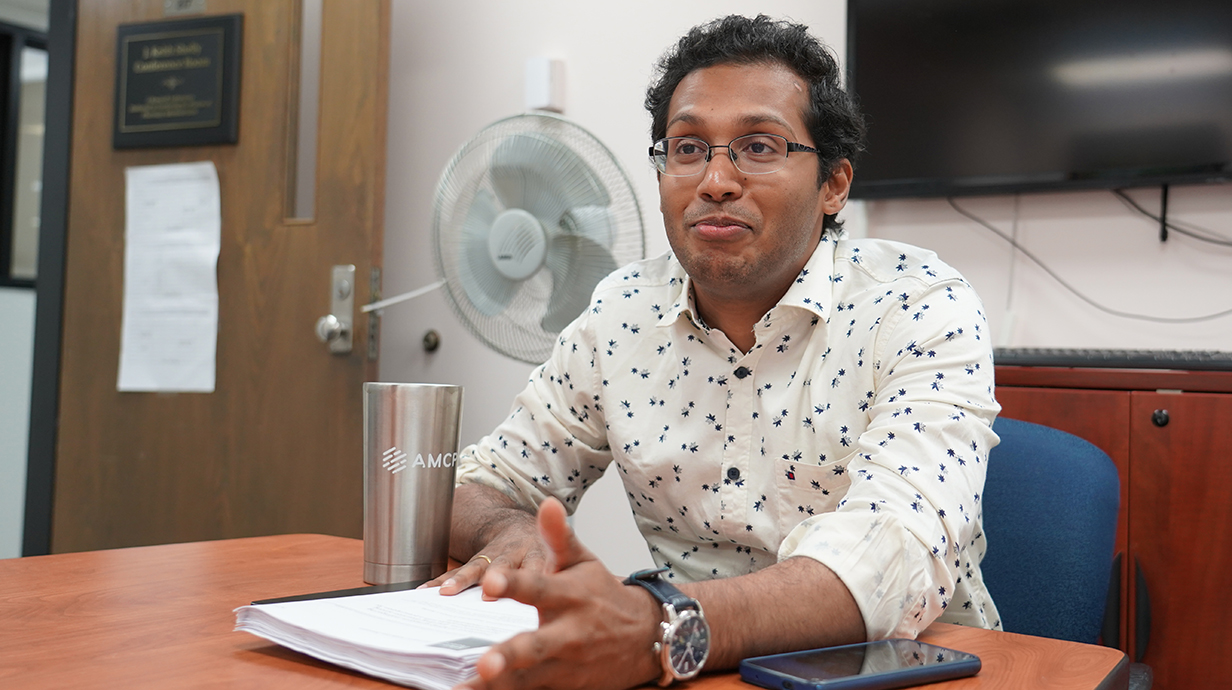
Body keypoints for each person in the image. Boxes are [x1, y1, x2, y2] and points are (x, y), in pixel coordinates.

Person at [430, 14, 1001, 690]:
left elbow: (884, 558)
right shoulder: (620, 313)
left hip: (903, 675)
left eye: (758, 147)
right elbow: (478, 484)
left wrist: (658, 628)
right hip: (689, 672)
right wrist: (508, 529)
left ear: (834, 184)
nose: (716, 180)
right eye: (689, 148)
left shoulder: (919, 305)